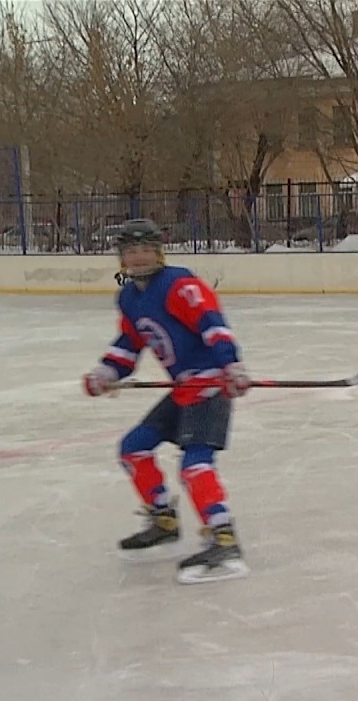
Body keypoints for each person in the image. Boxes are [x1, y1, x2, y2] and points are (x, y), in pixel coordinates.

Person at [82, 218, 252, 585]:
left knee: (195, 464)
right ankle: (163, 520)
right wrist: (107, 373)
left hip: (208, 386)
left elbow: (213, 324)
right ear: (122, 257)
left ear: (158, 252)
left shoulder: (180, 285)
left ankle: (224, 538)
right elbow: (129, 344)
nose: (139, 257)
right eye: (131, 251)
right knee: (133, 448)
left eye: (145, 249)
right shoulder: (129, 296)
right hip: (182, 389)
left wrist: (232, 364)